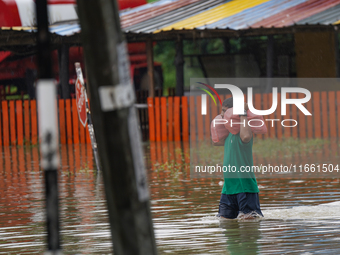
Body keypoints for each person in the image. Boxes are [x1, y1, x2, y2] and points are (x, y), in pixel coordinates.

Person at [213, 97, 264, 220]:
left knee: (249, 224)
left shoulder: (244, 133)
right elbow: (216, 142)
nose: (221, 114)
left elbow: (246, 137)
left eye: (225, 111)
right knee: (225, 223)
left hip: (244, 187)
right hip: (228, 188)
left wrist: (242, 113)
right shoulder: (229, 135)